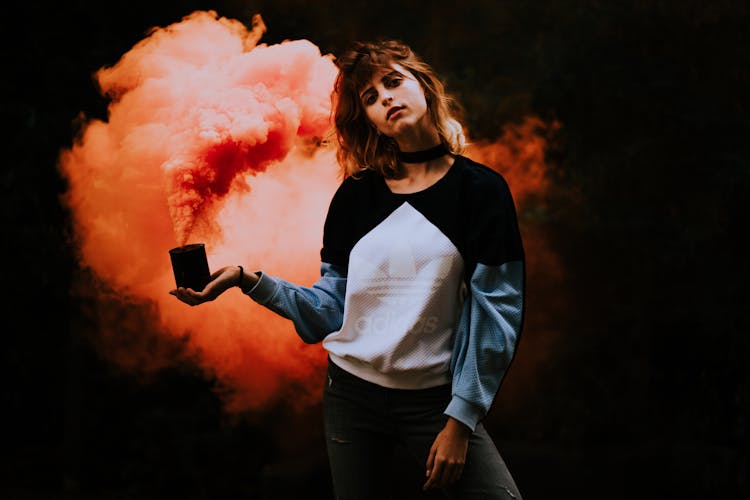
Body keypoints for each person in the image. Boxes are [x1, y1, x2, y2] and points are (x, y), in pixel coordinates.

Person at [170, 39, 525, 500]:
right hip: (352, 399)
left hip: (435, 404)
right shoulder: (356, 196)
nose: (387, 99)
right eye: (371, 98)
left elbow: (497, 315)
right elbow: (328, 311)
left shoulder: (481, 191)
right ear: (370, 121)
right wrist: (246, 279)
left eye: (394, 82)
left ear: (424, 85)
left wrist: (461, 419)